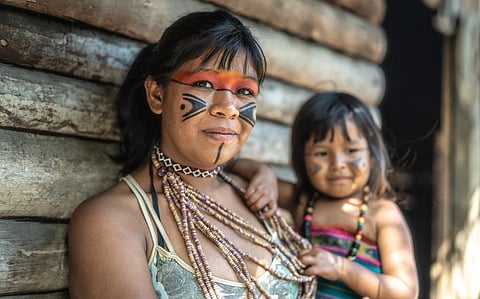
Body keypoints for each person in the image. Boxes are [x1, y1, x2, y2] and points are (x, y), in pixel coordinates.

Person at [67, 10, 317, 299]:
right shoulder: (111, 221)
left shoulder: (258, 196)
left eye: (244, 91)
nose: (229, 107)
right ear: (157, 96)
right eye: (204, 84)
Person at [233, 92, 419, 298]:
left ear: (372, 154)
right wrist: (264, 174)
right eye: (322, 153)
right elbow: (234, 166)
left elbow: (405, 292)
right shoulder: (302, 201)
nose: (337, 164)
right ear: (302, 158)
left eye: (351, 150)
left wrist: (341, 268)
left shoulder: (382, 214)